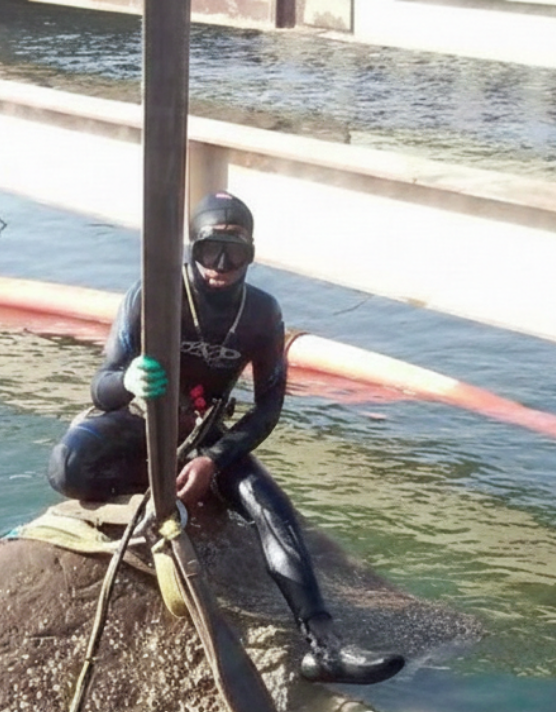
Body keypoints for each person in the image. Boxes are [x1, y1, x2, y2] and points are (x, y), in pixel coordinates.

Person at [47, 191, 404, 685]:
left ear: (251, 256)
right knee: (67, 468)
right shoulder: (152, 293)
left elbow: (268, 407)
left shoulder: (261, 312)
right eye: (209, 251)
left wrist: (213, 460)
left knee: (269, 506)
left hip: (203, 436)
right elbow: (102, 388)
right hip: (138, 423)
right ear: (192, 248)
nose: (220, 266)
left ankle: (323, 646)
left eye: (234, 255)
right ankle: (157, 483)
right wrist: (127, 380)